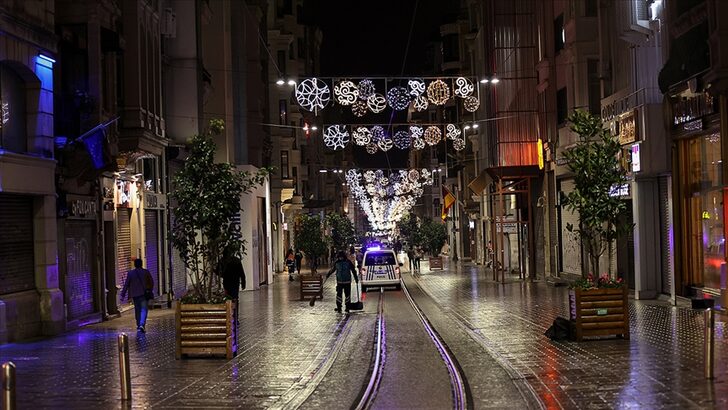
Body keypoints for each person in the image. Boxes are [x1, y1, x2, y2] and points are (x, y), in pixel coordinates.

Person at [120, 258, 154, 333]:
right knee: (144, 309)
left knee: (137, 310)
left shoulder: (130, 273)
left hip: (135, 295)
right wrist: (149, 290)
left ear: (135, 265)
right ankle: (142, 324)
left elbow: (126, 284)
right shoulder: (146, 272)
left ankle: (139, 324)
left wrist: (122, 295)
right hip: (144, 294)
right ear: (141, 264)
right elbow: (151, 282)